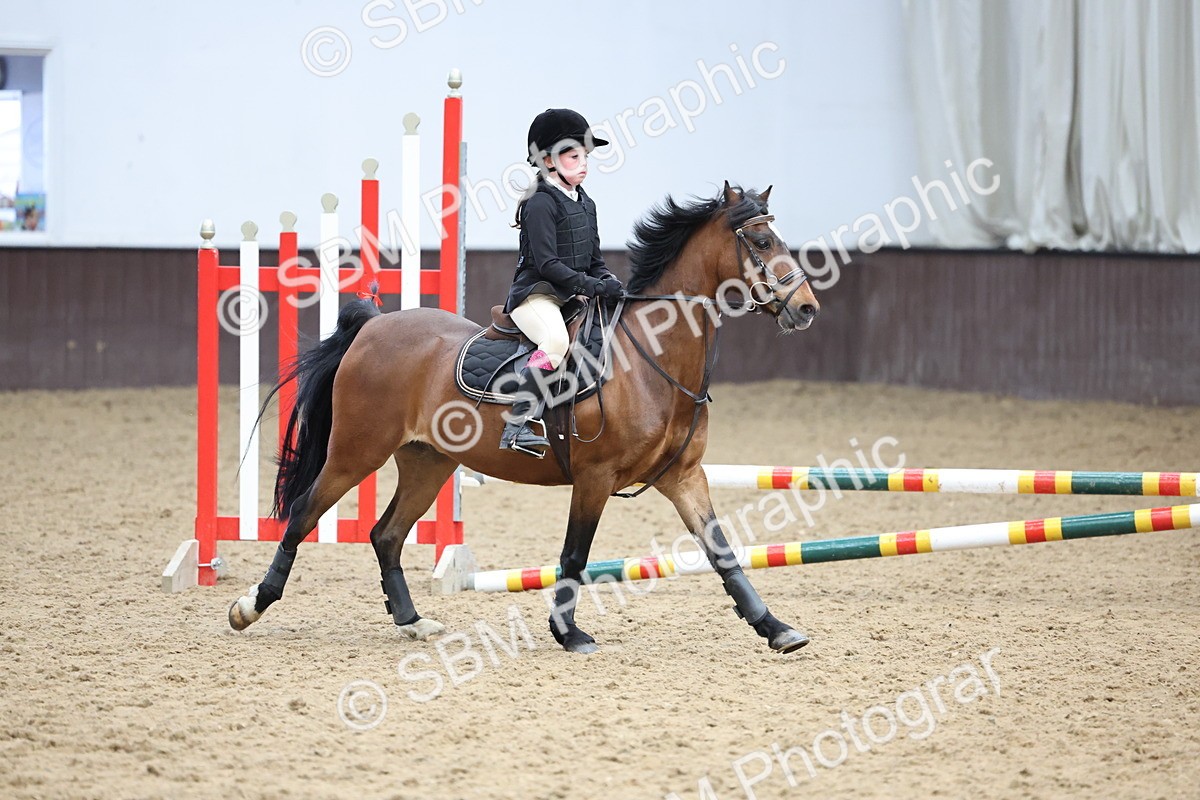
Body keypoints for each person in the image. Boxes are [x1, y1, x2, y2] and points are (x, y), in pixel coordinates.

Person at [499, 108, 623, 456]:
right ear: (548, 160)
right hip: (536, 295)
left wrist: (610, 281)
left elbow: (595, 261)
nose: (584, 164)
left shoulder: (586, 203)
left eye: (586, 156)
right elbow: (548, 265)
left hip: (570, 295)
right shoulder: (540, 202)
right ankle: (516, 424)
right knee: (554, 342)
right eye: (574, 156)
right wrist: (592, 286)